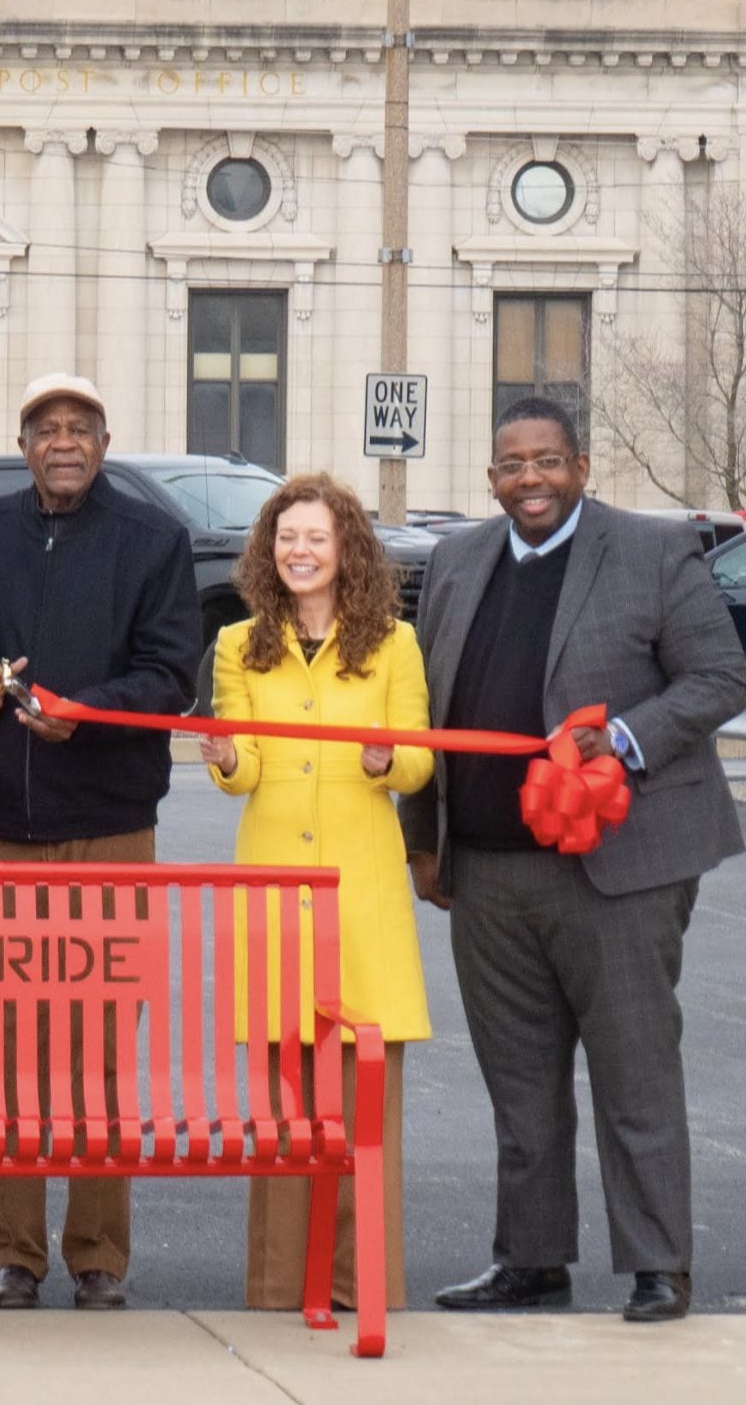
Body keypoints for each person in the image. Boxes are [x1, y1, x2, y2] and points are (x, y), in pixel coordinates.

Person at [401, 395, 746, 1323]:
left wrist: (625, 740)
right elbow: (425, 714)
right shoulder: (455, 561)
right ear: (490, 478)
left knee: (635, 1066)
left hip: (619, 865)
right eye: (512, 465)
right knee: (518, 1080)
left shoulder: (650, 551)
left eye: (547, 462)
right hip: (486, 868)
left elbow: (721, 679)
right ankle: (531, 1258)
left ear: (581, 468)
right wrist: (423, 843)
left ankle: (658, 1264)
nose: (530, 481)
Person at [0, 373, 199, 1310]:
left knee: (96, 1050)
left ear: (104, 438)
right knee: (4, 1046)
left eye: (79, 427)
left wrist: (88, 714)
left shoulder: (153, 541)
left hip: (110, 825)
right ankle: (14, 1251)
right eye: (45, 428)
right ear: (22, 444)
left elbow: (170, 675)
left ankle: (97, 1255)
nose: (63, 442)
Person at [200, 471, 434, 1313]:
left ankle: (364, 1285)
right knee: (284, 1111)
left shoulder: (394, 643)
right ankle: (275, 1289)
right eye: (285, 538)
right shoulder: (237, 645)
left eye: (316, 538)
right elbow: (248, 767)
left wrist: (387, 761)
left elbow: (418, 755)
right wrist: (227, 760)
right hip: (272, 895)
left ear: (347, 552)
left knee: (363, 1108)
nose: (299, 552)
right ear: (269, 552)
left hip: (361, 896)